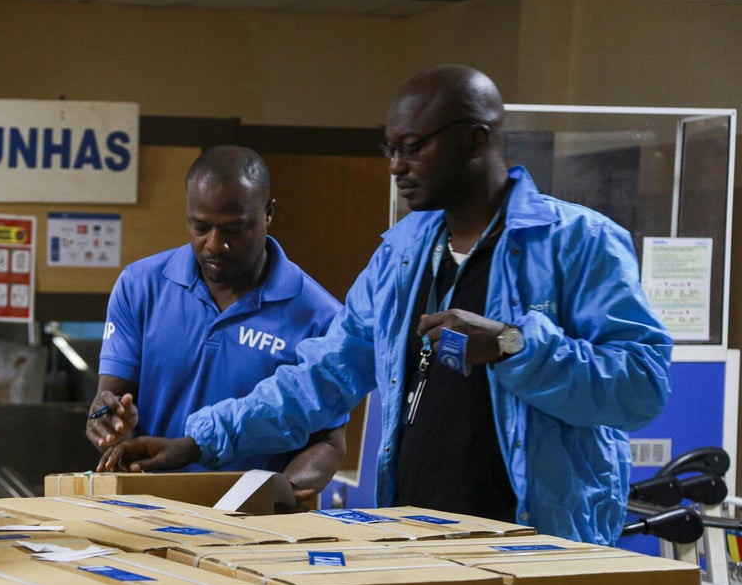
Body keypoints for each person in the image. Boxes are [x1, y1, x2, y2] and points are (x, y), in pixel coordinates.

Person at [98, 64, 672, 545]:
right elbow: (320, 377)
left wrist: (510, 344)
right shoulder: (403, 256)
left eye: (413, 148)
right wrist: (199, 441)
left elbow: (642, 386)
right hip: (417, 533)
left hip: (537, 543)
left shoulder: (577, 243)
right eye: (389, 148)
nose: (395, 166)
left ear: (475, 139)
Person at [86, 145, 348, 505]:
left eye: (234, 229)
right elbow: (110, 397)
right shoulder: (140, 286)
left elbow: (329, 441)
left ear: (269, 213)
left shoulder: (320, 316)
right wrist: (107, 418)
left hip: (251, 524)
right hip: (147, 509)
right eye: (200, 226)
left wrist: (280, 491)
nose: (214, 244)